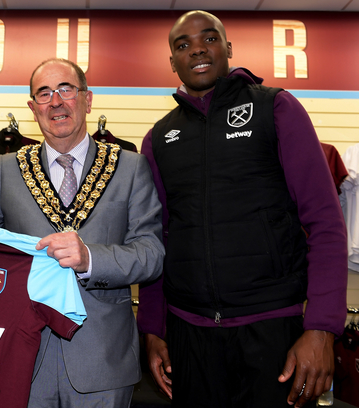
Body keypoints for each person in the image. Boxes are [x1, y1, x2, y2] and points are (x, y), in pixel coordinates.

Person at [0, 58, 163, 406]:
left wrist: (90, 257)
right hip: (23, 357)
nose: (56, 101)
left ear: (87, 99)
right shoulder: (8, 168)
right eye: (44, 93)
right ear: (33, 108)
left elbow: (151, 254)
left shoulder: (129, 167)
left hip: (103, 361)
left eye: (66, 90)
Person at [137, 10, 348, 408]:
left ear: (228, 47)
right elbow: (156, 240)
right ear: (172, 62)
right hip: (189, 333)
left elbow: (325, 223)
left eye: (209, 38)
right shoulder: (160, 138)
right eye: (183, 45)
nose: (197, 49)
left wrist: (321, 327)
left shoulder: (277, 108)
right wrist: (153, 329)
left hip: (272, 329)